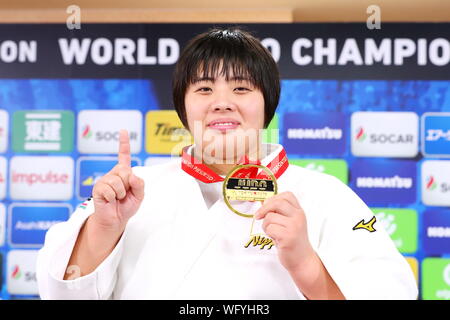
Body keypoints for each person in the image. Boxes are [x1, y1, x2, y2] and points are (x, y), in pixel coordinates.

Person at [36, 27, 418, 300]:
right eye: (203, 89)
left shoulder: (324, 195)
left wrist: (306, 265)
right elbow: (59, 292)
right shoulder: (131, 193)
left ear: (266, 104)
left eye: (240, 88)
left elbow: (390, 291)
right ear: (182, 106)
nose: (221, 102)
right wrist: (103, 228)